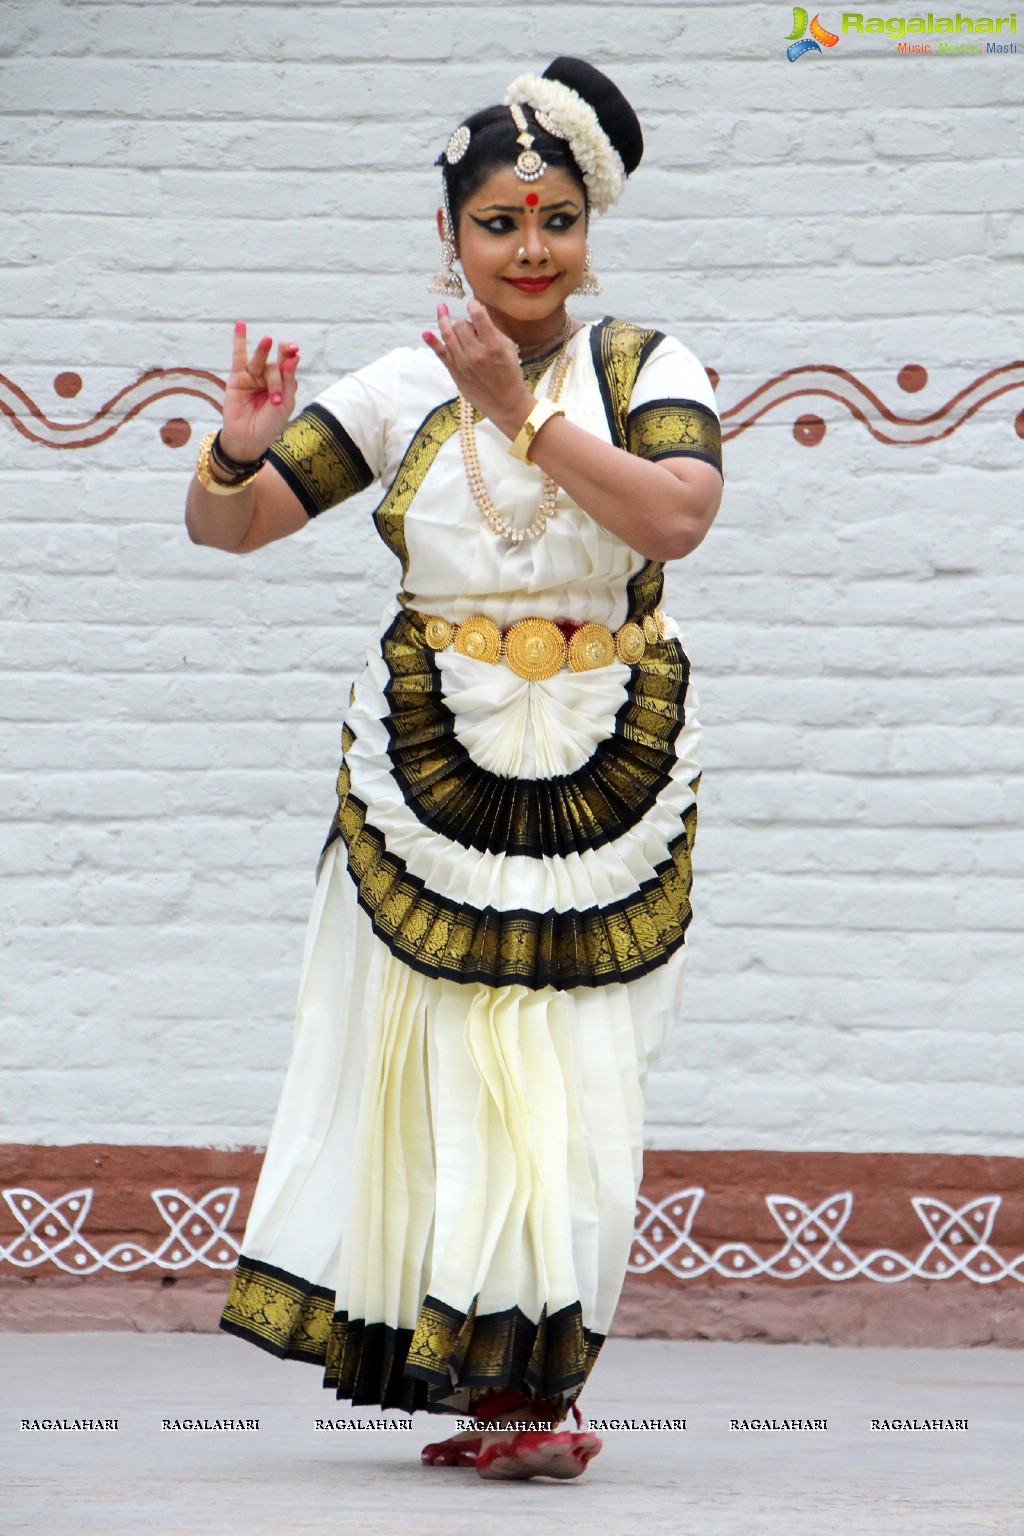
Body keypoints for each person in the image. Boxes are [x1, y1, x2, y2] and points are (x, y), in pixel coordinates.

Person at [185, 56, 723, 1482]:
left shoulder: (643, 368)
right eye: (498, 222)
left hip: (605, 757)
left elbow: (676, 519)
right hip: (431, 754)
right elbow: (227, 533)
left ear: (589, 228)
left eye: (553, 219)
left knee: (579, 1072)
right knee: (435, 1068)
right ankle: (492, 1390)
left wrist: (525, 414)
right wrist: (234, 454)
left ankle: (544, 1386)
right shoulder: (400, 384)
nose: (530, 249)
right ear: (453, 237)